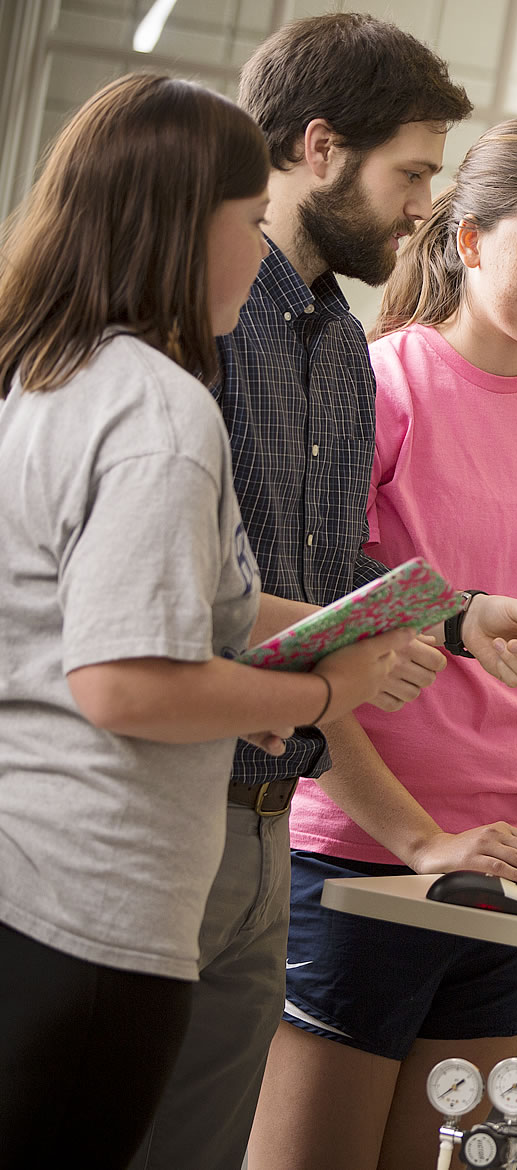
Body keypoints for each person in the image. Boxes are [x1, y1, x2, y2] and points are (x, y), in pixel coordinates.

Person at [137, 17, 517, 1170]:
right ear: (317, 148)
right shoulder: (193, 326)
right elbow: (196, 586)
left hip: (263, 816)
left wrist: (451, 617)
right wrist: (399, 804)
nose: (418, 210)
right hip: (180, 809)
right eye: (409, 175)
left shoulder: (337, 345)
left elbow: (323, 571)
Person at [0, 74, 410, 1169]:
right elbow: (124, 683)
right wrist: (321, 695)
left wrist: (336, 636)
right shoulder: (162, 411)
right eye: (245, 222)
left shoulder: (53, 375)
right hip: (94, 900)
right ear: (191, 228)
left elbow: (183, 607)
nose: (257, 248)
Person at [248, 117, 517, 1170]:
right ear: (468, 242)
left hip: (508, 886)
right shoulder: (380, 390)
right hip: (360, 861)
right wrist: (421, 842)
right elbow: (309, 645)